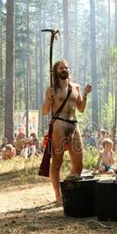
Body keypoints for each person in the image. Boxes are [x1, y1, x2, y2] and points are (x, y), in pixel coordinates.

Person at [41, 59, 91, 203]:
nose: (64, 70)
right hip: (59, 125)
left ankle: (67, 189)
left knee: (79, 165)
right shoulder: (52, 89)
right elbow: (45, 111)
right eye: (61, 68)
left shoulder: (76, 87)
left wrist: (86, 94)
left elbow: (81, 109)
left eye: (66, 68)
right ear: (56, 72)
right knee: (57, 161)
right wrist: (47, 98)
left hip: (74, 125)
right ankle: (58, 195)